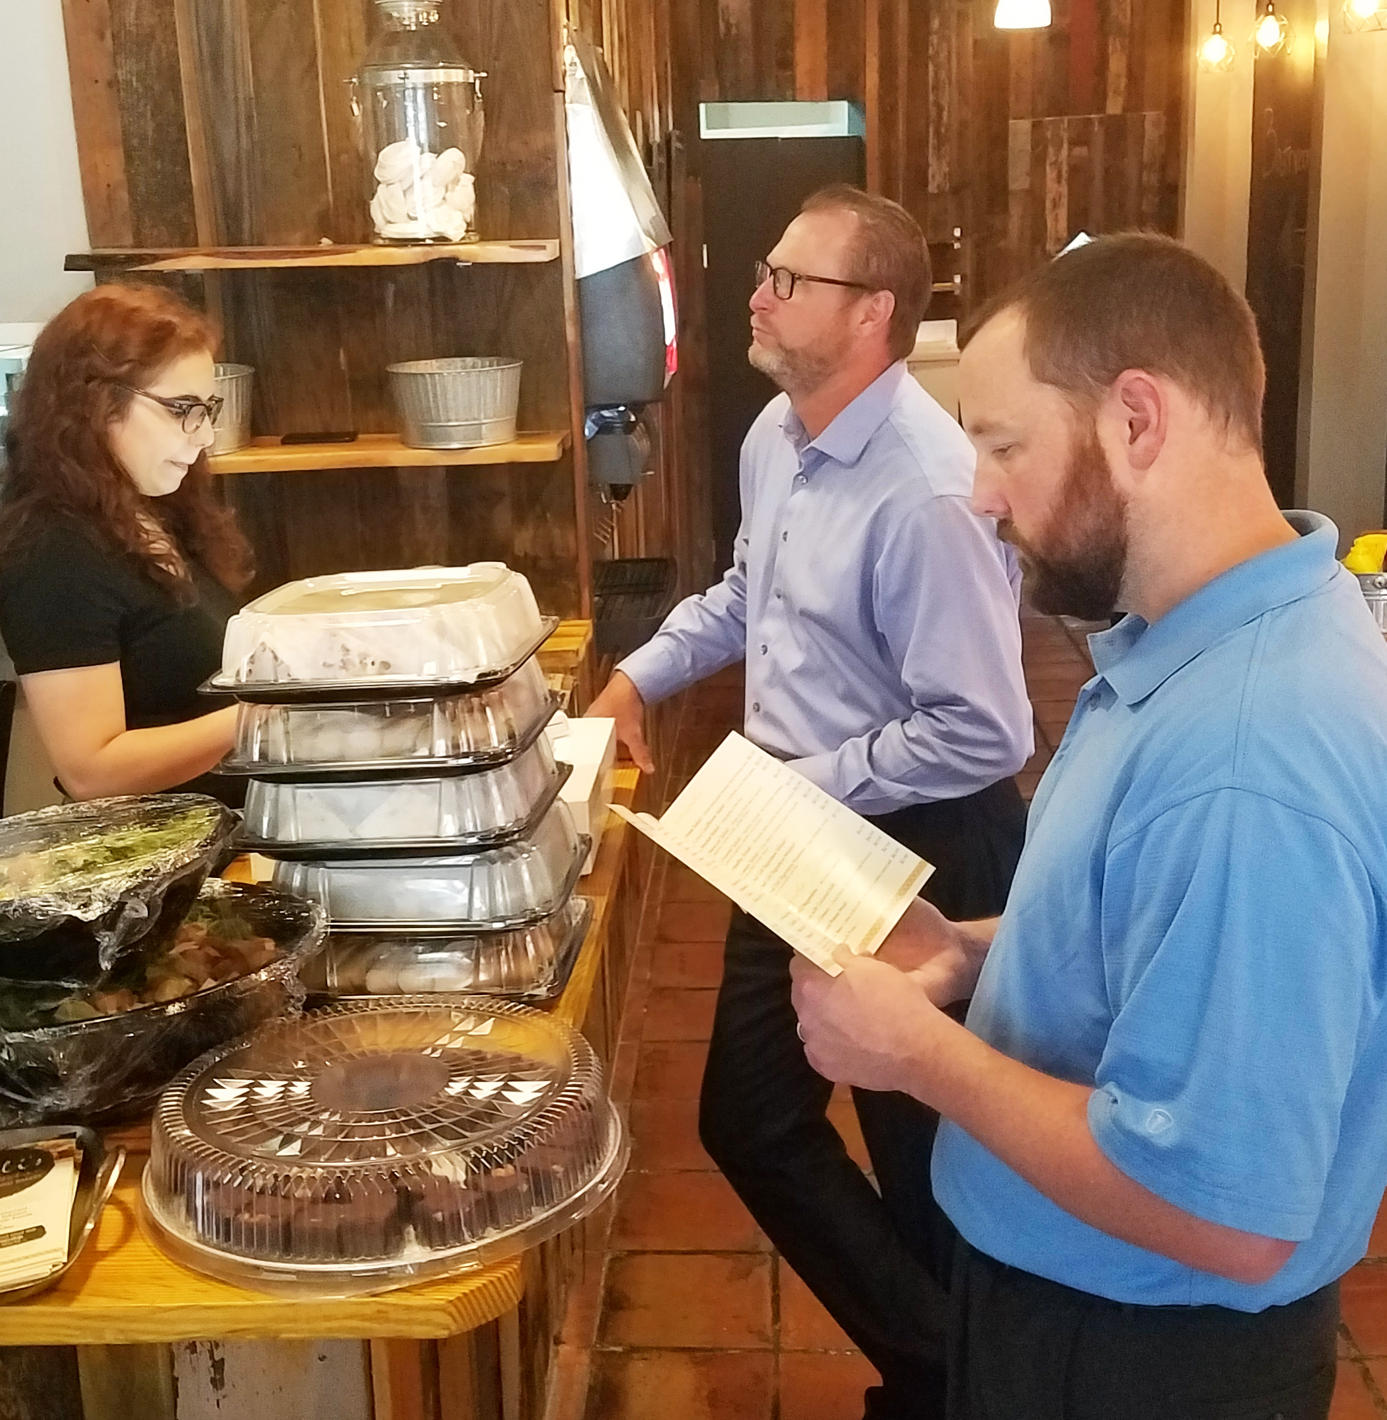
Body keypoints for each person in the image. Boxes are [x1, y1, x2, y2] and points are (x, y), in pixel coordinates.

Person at [790, 232, 1387, 1420]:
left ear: (1136, 420)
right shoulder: (1205, 637)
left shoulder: (1251, 759)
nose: (979, 493)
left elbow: (1224, 1211)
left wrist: (915, 1057)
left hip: (1143, 1354)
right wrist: (972, 949)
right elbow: (1146, 923)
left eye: (1000, 444)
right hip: (1081, 1309)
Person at [587, 186, 1034, 1419]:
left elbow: (987, 728)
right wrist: (638, 674)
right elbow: (746, 594)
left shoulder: (926, 490)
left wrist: (801, 790)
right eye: (766, 271)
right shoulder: (775, 435)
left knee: (920, 1152)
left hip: (921, 841)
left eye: (791, 278)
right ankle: (946, 1372)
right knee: (748, 1115)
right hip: (800, 822)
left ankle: (948, 1385)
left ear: (873, 313)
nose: (759, 292)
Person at [0, 283, 252, 801]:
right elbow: (91, 772)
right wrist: (265, 717)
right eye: (181, 408)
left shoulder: (154, 511)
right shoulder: (52, 553)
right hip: (157, 854)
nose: (205, 434)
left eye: (207, 408)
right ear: (95, 403)